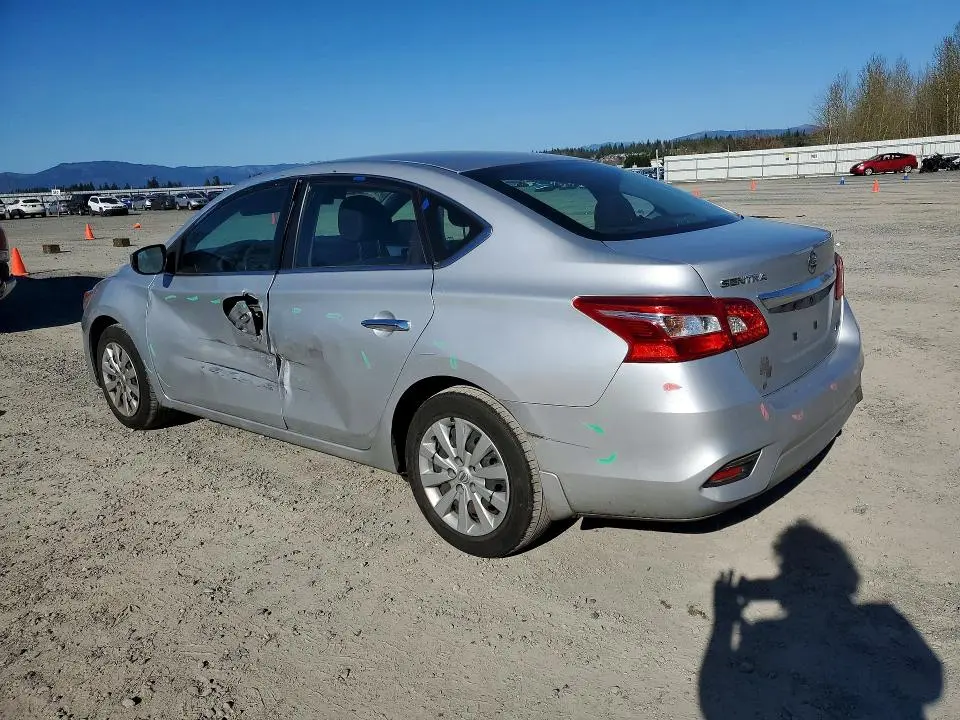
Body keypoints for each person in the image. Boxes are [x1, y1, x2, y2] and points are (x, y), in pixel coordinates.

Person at [699, 520, 942, 719]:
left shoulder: (767, 634)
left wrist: (725, 619)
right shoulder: (881, 617)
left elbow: (713, 700)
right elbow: (931, 685)